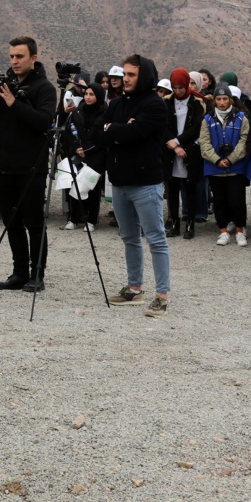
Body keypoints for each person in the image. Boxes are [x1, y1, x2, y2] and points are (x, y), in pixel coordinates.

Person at [0, 38, 59, 292]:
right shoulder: (6, 86)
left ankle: (38, 274)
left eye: (20, 56)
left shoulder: (44, 88)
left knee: (34, 222)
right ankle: (19, 272)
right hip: (4, 164)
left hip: (31, 167)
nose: (14, 61)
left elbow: (43, 123)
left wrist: (15, 103)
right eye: (12, 56)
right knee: (11, 221)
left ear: (33, 58)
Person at [102, 54, 171, 314]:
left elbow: (134, 133)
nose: (125, 79)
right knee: (129, 237)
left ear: (145, 76)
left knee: (156, 239)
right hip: (119, 182)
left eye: (131, 75)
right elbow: (98, 133)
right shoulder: (117, 104)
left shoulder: (155, 105)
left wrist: (115, 130)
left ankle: (162, 296)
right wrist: (116, 130)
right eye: (124, 74)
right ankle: (134, 289)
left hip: (146, 184)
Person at [201, 83, 250, 247]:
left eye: (225, 99)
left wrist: (231, 159)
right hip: (215, 168)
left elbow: (244, 141)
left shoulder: (241, 118)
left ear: (231, 100)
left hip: (235, 168)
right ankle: (223, 231)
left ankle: (240, 231)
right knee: (219, 202)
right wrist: (217, 159)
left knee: (237, 201)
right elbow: (204, 143)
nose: (222, 102)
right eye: (219, 99)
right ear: (214, 101)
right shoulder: (207, 119)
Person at [163, 68, 204, 240]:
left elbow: (196, 127)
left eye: (181, 87)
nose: (178, 91)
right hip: (171, 150)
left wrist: (179, 143)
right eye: (175, 87)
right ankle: (174, 223)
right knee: (172, 189)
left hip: (189, 150)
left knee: (190, 188)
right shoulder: (166, 102)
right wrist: (173, 145)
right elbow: (163, 126)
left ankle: (190, 224)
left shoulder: (197, 102)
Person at [65, 76, 107, 231]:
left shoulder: (105, 112)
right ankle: (74, 218)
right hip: (78, 152)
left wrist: (87, 150)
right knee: (74, 183)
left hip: (96, 154)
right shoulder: (78, 111)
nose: (88, 97)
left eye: (92, 94)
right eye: (86, 94)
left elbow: (104, 136)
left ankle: (91, 220)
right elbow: (70, 130)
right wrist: (77, 147)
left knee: (91, 186)